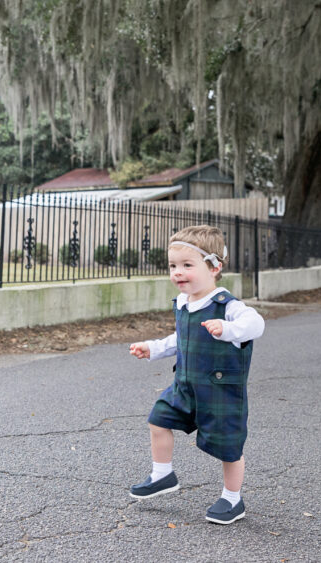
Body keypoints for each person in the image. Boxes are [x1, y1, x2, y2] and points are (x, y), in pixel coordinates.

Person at [128, 224, 265, 525]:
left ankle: (232, 499)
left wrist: (228, 330)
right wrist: (153, 348)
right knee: (158, 419)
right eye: (173, 266)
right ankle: (162, 475)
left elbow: (256, 325)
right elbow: (182, 338)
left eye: (187, 265)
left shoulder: (226, 306)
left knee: (229, 447)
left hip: (220, 391)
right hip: (186, 386)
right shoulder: (184, 304)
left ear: (214, 266)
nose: (178, 272)